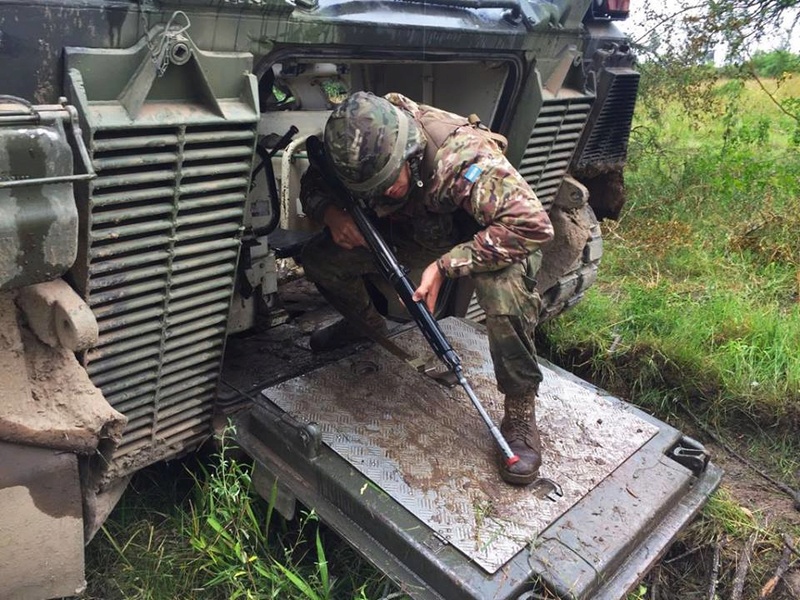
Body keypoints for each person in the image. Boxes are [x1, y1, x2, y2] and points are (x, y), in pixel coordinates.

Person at [298, 91, 554, 485]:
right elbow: (314, 181)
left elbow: (531, 226)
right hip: (413, 233)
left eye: (388, 185)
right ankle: (364, 327)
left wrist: (446, 266)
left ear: (411, 154)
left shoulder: (460, 156)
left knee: (505, 294)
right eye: (370, 191)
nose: (381, 196)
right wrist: (331, 212)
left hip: (485, 240)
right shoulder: (349, 150)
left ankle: (519, 410)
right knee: (320, 258)